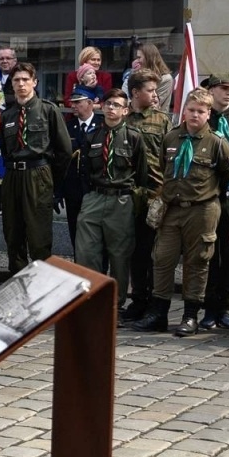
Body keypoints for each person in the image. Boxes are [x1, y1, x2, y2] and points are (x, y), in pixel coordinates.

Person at [138, 88, 229, 336]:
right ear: (184, 110)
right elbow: (162, 167)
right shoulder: (171, 139)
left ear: (208, 113)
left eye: (200, 111)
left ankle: (190, 315)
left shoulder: (217, 143)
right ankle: (158, 312)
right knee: (162, 258)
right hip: (171, 209)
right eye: (191, 110)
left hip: (201, 210)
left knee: (198, 262)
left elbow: (227, 177)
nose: (195, 115)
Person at [74, 88, 149, 304]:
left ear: (125, 111)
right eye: (108, 104)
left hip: (121, 200)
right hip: (95, 197)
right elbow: (85, 171)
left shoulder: (134, 138)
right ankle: (93, 299)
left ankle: (115, 303)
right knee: (87, 252)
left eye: (116, 105)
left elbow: (141, 175)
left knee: (119, 255)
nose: (111, 108)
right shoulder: (92, 136)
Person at [0, 62, 71, 275]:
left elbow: (64, 151)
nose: (21, 84)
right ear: (11, 84)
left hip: (38, 175)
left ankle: (43, 292)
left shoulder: (48, 110)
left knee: (39, 240)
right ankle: (18, 289)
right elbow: (5, 150)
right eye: (16, 80)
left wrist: (50, 181)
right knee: (13, 237)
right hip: (13, 177)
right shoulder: (8, 116)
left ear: (34, 82)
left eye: (25, 80)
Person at [199, 72, 229, 330]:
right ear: (211, 90)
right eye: (223, 88)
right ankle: (209, 306)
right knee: (207, 253)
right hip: (206, 195)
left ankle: (228, 307)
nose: (228, 93)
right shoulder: (204, 120)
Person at [123, 71, 169, 326]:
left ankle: (154, 302)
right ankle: (138, 299)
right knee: (135, 251)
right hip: (130, 193)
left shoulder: (162, 120)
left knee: (155, 252)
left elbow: (170, 156)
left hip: (156, 194)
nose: (154, 95)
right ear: (135, 93)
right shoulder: (124, 119)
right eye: (150, 90)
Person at [61, 85, 100, 254]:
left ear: (90, 103)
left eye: (78, 102)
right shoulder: (67, 127)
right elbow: (61, 159)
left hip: (95, 190)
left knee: (96, 236)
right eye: (72, 102)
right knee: (75, 234)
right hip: (73, 191)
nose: (73, 106)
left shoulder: (101, 126)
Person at [121, 42, 172, 115]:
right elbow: (124, 97)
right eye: (136, 58)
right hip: (133, 118)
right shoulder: (134, 75)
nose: (137, 61)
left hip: (156, 120)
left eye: (139, 57)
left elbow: (152, 103)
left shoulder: (165, 79)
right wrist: (132, 74)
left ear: (149, 58)